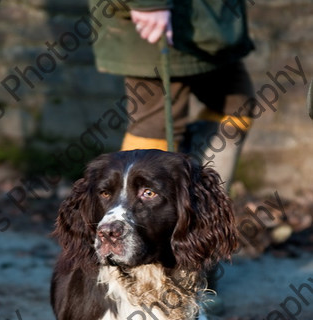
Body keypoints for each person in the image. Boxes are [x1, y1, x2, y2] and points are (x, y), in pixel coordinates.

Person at [89, 0, 256, 193]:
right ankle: (131, 216)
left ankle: (200, 206)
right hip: (157, 18)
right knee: (155, 125)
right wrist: (147, 4)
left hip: (206, 18)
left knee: (235, 105)